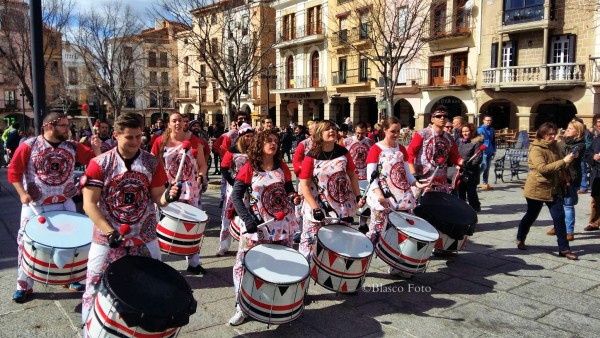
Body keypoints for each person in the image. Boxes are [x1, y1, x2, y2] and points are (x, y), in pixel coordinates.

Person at [80, 113, 180, 326]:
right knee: (94, 284)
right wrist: (109, 232)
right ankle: (89, 326)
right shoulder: (99, 164)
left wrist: (168, 196)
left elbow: (157, 199)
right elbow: (89, 203)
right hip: (108, 236)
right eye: (129, 137)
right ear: (116, 135)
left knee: (154, 284)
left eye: (138, 136)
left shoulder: (152, 163)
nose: (135, 142)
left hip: (145, 235)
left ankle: (149, 328)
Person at [8, 113, 101, 303]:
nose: (68, 129)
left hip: (65, 201)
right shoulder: (29, 145)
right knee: (26, 244)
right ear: (49, 126)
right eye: (64, 126)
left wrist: (97, 149)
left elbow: (96, 164)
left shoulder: (73, 146)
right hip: (36, 204)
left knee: (73, 243)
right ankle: (23, 285)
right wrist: (21, 193)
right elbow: (14, 171)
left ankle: (71, 278)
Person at [228, 130, 300, 326]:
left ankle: (275, 304)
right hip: (257, 225)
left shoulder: (282, 167)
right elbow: (236, 196)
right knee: (243, 265)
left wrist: (294, 196)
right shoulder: (250, 168)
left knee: (279, 263)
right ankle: (240, 306)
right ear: (260, 144)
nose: (274, 144)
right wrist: (247, 219)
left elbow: (288, 189)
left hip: (282, 224)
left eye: (276, 141)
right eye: (269, 141)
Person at [364, 117, 426, 277]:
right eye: (393, 131)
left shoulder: (401, 149)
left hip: (403, 196)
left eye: (398, 131)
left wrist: (417, 184)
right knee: (376, 231)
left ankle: (399, 265)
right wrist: (379, 195)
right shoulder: (375, 149)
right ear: (384, 130)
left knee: (403, 233)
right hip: (383, 196)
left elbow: (406, 172)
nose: (396, 134)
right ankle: (361, 264)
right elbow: (371, 176)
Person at [151, 112, 209, 273]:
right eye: (174, 121)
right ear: (168, 124)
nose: (177, 124)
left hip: (190, 190)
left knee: (192, 227)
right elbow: (151, 163)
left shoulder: (194, 141)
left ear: (185, 124)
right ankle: (157, 262)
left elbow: (202, 165)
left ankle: (194, 263)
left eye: (180, 121)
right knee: (162, 225)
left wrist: (200, 176)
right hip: (166, 189)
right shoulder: (159, 142)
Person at [298, 120, 362, 259]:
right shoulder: (311, 156)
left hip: (342, 205)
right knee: (310, 245)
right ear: (320, 134)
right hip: (317, 206)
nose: (332, 131)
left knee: (340, 245)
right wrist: (315, 208)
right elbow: (305, 185)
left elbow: (352, 175)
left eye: (333, 128)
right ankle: (305, 272)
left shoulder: (344, 152)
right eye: (327, 129)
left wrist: (358, 196)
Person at [515, 122, 577, 260]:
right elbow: (542, 168)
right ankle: (520, 238)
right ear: (542, 134)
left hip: (553, 187)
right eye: (550, 134)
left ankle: (564, 249)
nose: (553, 136)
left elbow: (561, 164)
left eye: (554, 133)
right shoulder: (536, 148)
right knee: (531, 215)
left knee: (559, 217)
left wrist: (570, 159)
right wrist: (563, 161)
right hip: (537, 188)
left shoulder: (554, 145)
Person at [216, 123, 254, 256]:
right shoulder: (232, 151)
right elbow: (224, 168)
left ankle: (247, 244)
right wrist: (234, 182)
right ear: (242, 137)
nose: (250, 139)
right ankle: (223, 245)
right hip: (234, 187)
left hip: (251, 188)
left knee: (248, 215)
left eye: (251, 136)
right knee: (227, 215)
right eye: (247, 136)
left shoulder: (255, 151)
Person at [407, 106, 463, 193]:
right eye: (439, 116)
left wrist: (463, 162)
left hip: (442, 183)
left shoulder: (449, 138)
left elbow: (455, 157)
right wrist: (414, 175)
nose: (442, 118)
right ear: (432, 119)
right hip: (423, 181)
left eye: (445, 116)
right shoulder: (422, 134)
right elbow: (409, 155)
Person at [544, 120, 584, 241]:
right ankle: (558, 227)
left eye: (571, 129)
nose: (567, 130)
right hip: (558, 176)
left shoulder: (580, 144)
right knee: (557, 204)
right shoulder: (566, 141)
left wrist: (560, 141)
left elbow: (570, 154)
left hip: (570, 177)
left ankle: (569, 231)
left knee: (568, 204)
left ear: (577, 133)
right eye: (567, 128)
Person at [455, 123, 483, 212]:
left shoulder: (476, 142)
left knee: (471, 192)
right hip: (460, 170)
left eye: (467, 131)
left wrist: (468, 165)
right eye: (463, 131)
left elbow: (477, 159)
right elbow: (455, 154)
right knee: (460, 192)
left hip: (471, 172)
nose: (465, 133)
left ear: (471, 131)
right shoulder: (459, 141)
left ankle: (474, 208)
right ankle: (462, 210)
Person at [584, 126, 600, 232]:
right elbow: (587, 153)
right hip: (597, 174)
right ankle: (594, 222)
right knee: (596, 200)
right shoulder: (597, 139)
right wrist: (593, 156)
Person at [477, 114, 496, 190]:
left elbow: (493, 140)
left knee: (487, 168)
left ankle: (485, 183)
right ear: (483, 121)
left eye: (490, 120)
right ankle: (475, 180)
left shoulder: (491, 129)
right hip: (483, 151)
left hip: (490, 151)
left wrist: (494, 150)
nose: (489, 121)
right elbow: (477, 141)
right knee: (483, 166)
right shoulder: (480, 130)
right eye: (487, 120)